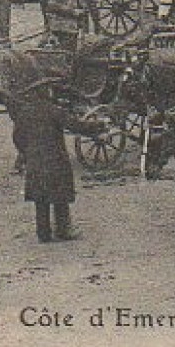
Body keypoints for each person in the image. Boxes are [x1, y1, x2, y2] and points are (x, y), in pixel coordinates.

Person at [9, 77, 107, 242]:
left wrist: (27, 153)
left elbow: (17, 137)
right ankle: (63, 230)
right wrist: (99, 126)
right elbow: (76, 126)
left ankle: (43, 233)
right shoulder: (55, 111)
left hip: (35, 161)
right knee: (60, 196)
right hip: (55, 160)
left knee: (40, 199)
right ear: (47, 92)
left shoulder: (24, 113)